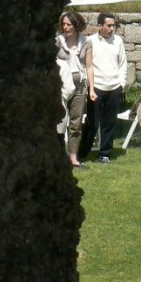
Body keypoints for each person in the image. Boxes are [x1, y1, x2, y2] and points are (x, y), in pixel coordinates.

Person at [79, 13, 127, 164]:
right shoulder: (90, 41)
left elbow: (123, 63)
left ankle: (104, 153)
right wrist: (90, 87)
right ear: (100, 26)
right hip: (97, 87)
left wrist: (121, 83)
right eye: (109, 26)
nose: (112, 29)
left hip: (114, 87)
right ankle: (82, 153)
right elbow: (87, 65)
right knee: (92, 123)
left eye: (113, 26)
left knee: (110, 122)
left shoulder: (118, 41)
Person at [56, 12, 90, 168]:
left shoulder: (86, 42)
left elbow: (89, 66)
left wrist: (92, 88)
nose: (65, 27)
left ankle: (73, 157)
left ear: (76, 25)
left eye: (68, 24)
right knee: (59, 121)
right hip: (61, 86)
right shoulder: (58, 41)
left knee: (76, 123)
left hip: (80, 85)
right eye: (63, 24)